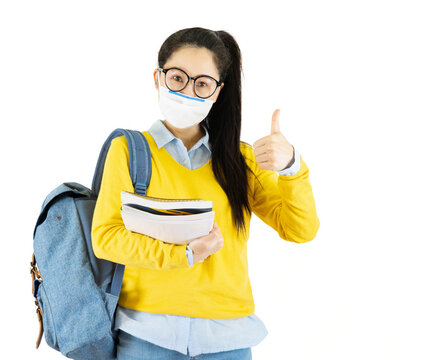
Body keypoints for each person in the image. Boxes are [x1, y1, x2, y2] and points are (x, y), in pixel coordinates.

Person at [91, 27, 320, 360]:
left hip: (227, 339)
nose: (187, 90)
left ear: (217, 92)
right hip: (146, 335)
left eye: (202, 83)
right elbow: (106, 238)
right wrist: (184, 254)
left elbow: (301, 230)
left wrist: (291, 167)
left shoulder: (240, 161)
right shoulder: (128, 150)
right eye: (177, 77)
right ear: (158, 77)